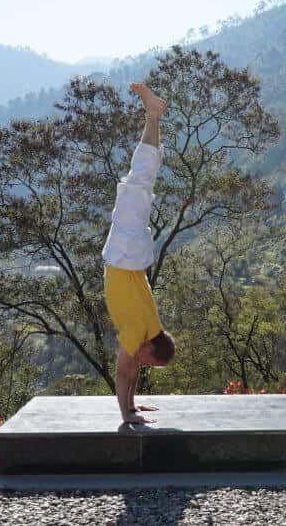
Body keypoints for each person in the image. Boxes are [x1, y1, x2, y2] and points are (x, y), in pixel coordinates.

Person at [102, 82, 176, 424]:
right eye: (151, 361)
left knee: (142, 183)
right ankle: (152, 113)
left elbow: (131, 373)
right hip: (125, 253)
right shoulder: (137, 333)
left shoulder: (151, 328)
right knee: (138, 182)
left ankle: (154, 115)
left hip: (133, 255)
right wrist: (127, 413)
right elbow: (123, 374)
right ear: (150, 348)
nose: (144, 364)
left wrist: (134, 406)